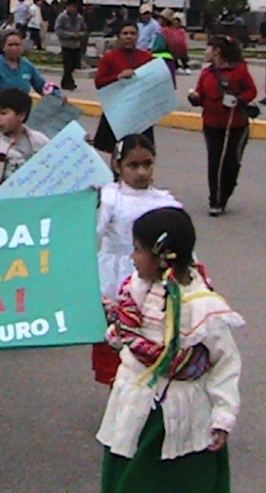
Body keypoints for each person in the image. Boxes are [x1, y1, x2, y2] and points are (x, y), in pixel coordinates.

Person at [98, 206, 243, 493]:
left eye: (138, 250)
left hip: (179, 413)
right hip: (135, 403)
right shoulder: (136, 289)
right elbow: (127, 335)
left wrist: (223, 416)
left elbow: (225, 362)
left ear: (163, 257)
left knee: (176, 481)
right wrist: (118, 334)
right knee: (129, 477)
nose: (132, 257)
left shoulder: (202, 308)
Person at [93, 134, 181, 386]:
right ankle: (117, 389)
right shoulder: (110, 197)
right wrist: (93, 204)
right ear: (117, 166)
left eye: (147, 164)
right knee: (117, 331)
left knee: (149, 330)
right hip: (115, 275)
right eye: (133, 166)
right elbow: (94, 231)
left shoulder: (165, 202)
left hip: (151, 275)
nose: (142, 172)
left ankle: (145, 388)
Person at [187, 36, 258, 216]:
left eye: (208, 48)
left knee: (231, 162)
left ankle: (225, 192)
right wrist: (194, 98)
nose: (206, 52)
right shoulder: (207, 73)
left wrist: (239, 99)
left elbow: (251, 90)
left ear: (217, 50)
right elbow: (201, 97)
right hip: (211, 124)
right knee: (215, 161)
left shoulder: (239, 71)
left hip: (235, 124)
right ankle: (215, 200)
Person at [93, 22, 156, 153]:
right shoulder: (110, 58)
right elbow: (99, 82)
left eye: (132, 33)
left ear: (138, 36)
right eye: (125, 33)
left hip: (140, 113)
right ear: (119, 36)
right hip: (117, 112)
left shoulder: (147, 58)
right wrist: (118, 77)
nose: (129, 37)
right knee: (116, 152)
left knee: (139, 151)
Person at [0, 30, 51, 95]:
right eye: (10, 45)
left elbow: (42, 86)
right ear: (3, 47)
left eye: (17, 44)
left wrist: (55, 94)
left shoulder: (27, 65)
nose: (14, 48)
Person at [54, 0, 86, 90]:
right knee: (67, 65)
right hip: (66, 44)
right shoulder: (62, 17)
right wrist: (70, 35)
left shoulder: (80, 18)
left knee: (73, 65)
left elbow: (84, 30)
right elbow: (58, 30)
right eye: (70, 6)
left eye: (74, 6)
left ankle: (65, 82)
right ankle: (69, 83)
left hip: (76, 45)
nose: (72, 9)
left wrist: (79, 35)